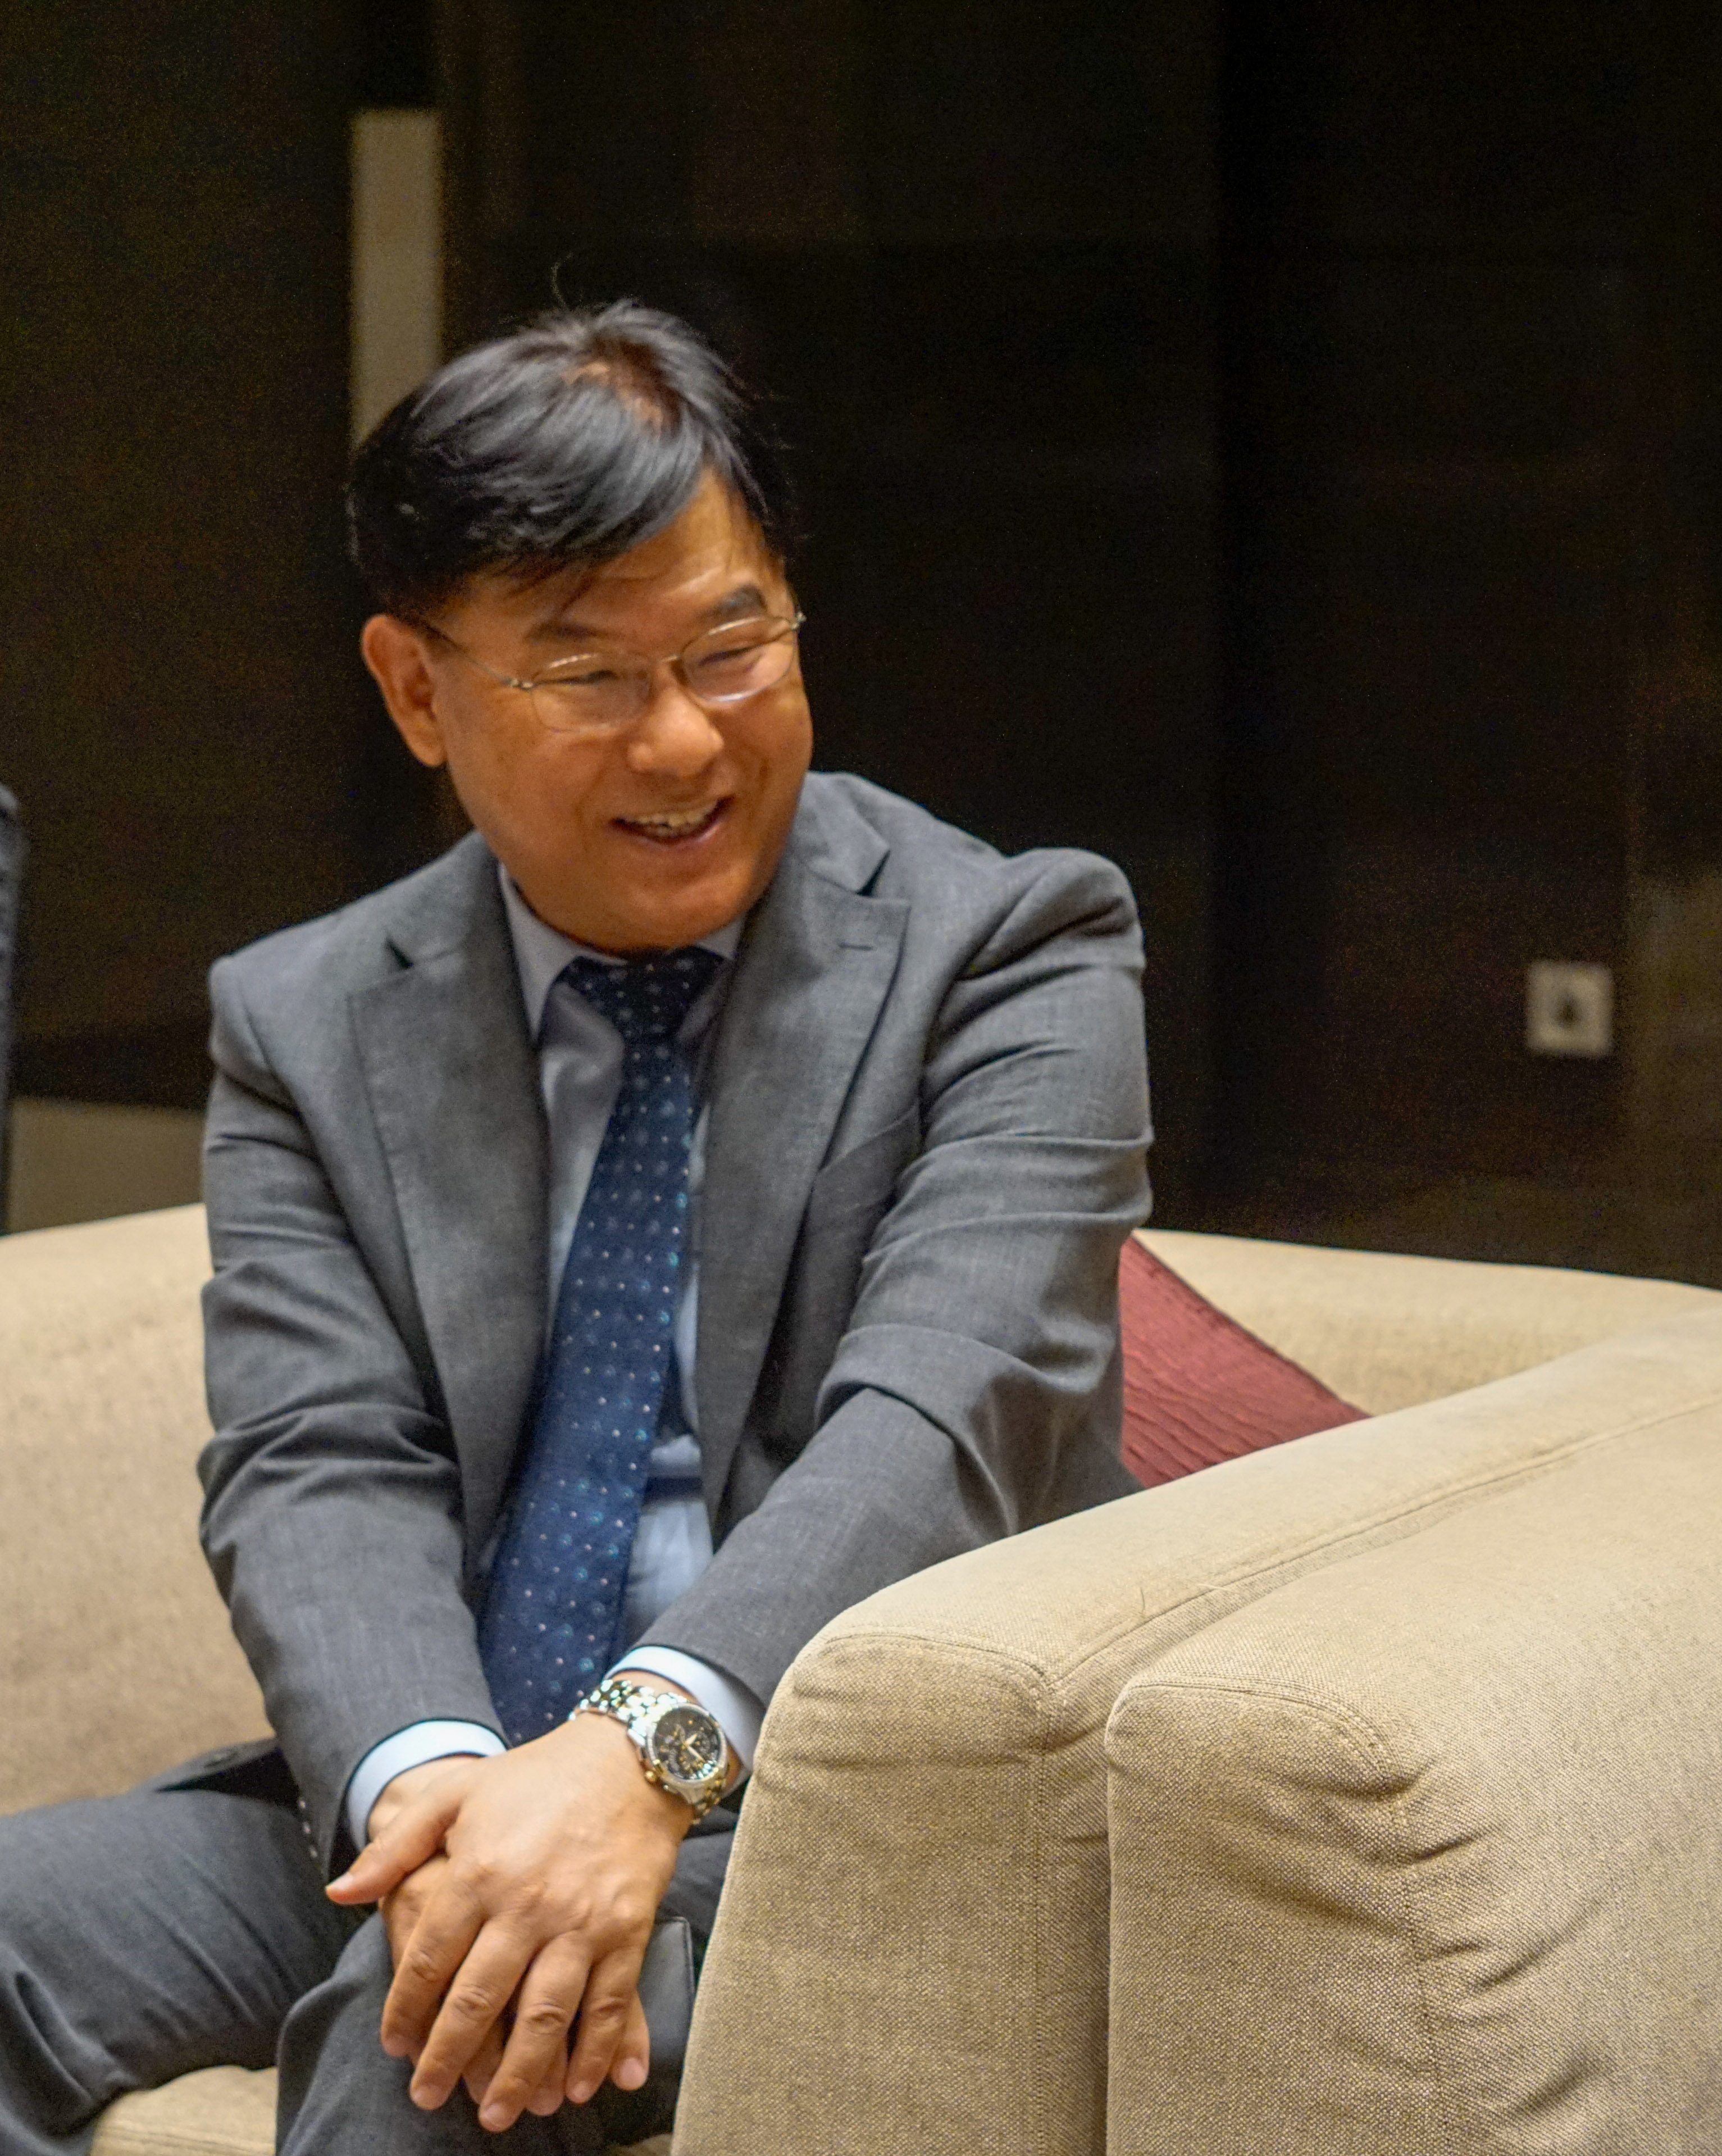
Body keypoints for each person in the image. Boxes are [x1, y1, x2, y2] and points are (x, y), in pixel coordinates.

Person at [0, 302, 1149, 2152]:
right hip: (450, 1782)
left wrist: (635, 1759)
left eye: (731, 648)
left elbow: (945, 1423)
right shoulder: (309, 1020)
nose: (683, 739)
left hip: (839, 1807)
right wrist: (444, 1794)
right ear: (416, 692)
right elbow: (316, 1460)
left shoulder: (1013, 957)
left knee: (449, 2031)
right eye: (587, 675)